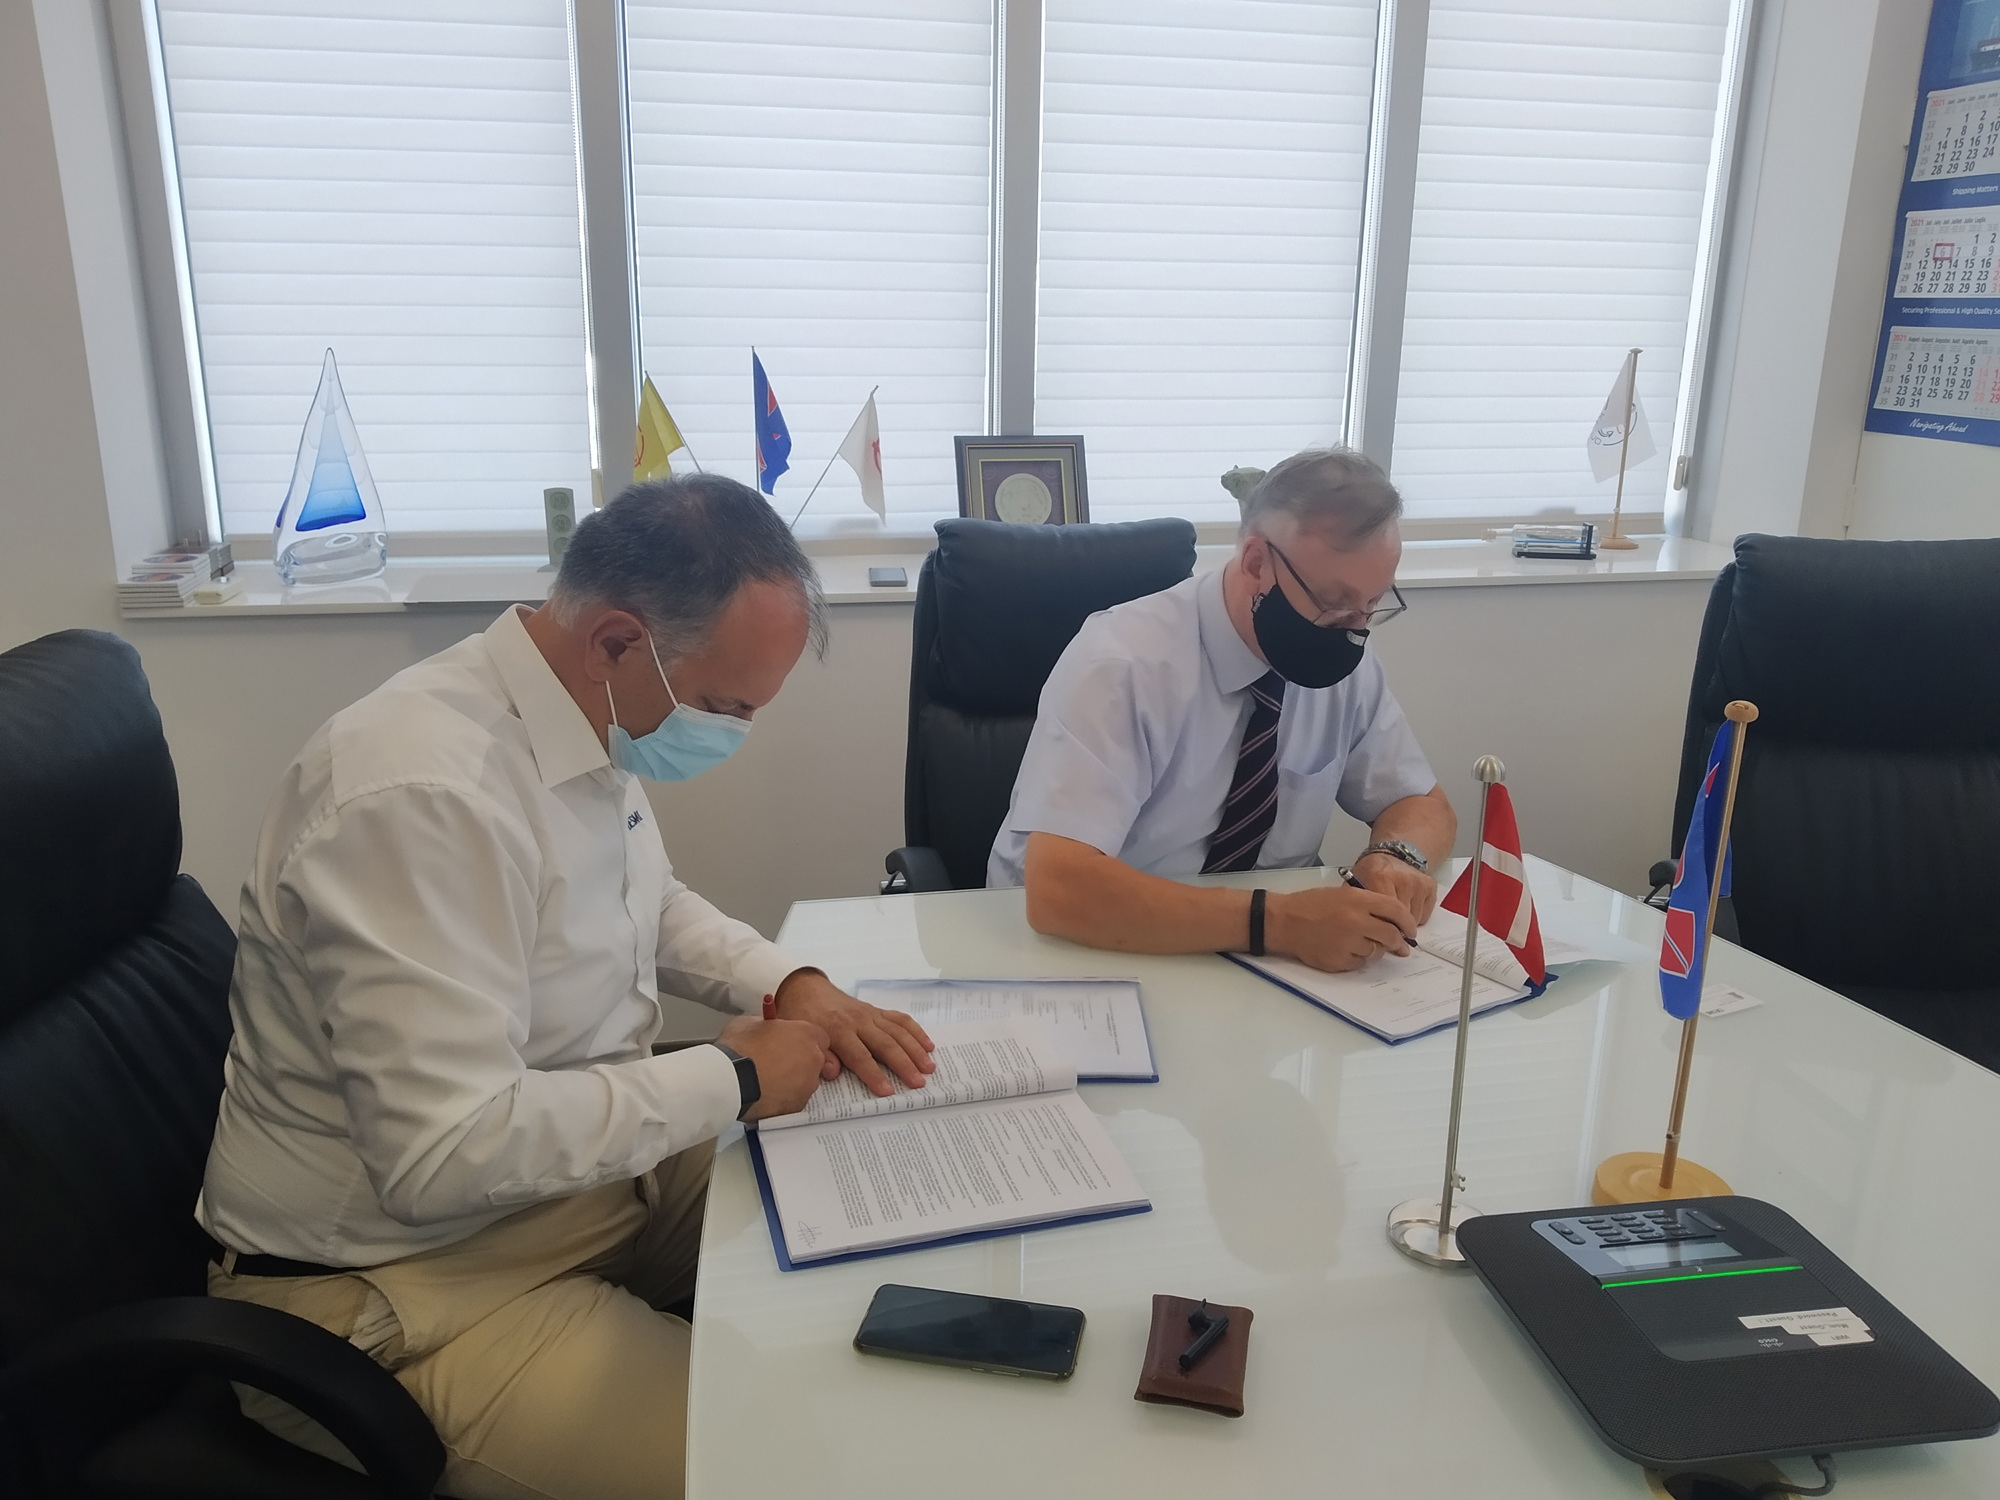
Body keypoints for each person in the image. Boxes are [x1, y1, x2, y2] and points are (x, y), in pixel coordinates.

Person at [198, 473, 934, 1500]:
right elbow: (444, 1151)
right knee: (795, 1463)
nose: (732, 733)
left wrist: (791, 983)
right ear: (616, 643)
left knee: (883, 1173)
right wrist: (730, 1077)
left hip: (568, 1191)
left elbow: (648, 901)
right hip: (402, 1289)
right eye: (724, 706)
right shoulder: (418, 795)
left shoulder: (574, 713)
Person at [988, 447, 1456, 973]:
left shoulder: (1348, 664)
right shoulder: (1122, 662)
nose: (1353, 628)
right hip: (1082, 949)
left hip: (1257, 958)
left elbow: (1422, 803)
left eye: (1371, 605)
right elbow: (1059, 888)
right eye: (1335, 602)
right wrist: (1279, 923)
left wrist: (1398, 857)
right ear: (1257, 563)